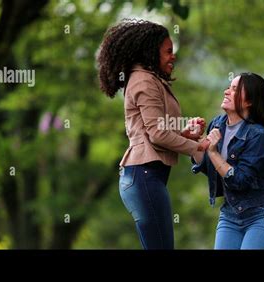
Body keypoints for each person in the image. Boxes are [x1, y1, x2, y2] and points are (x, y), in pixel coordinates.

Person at [97, 19, 208, 249]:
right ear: (151, 52)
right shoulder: (144, 81)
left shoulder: (147, 79)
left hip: (144, 177)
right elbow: (157, 135)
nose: (173, 56)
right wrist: (200, 149)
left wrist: (186, 134)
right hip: (144, 177)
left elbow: (156, 132)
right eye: (168, 51)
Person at [191, 72, 264, 249]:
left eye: (235, 90)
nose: (227, 92)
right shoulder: (216, 124)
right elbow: (209, 168)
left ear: (249, 102)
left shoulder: (258, 135)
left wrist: (212, 152)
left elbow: (239, 181)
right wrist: (195, 141)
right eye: (229, 87)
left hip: (263, 215)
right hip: (230, 215)